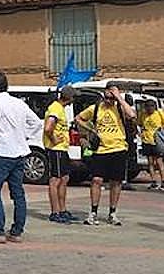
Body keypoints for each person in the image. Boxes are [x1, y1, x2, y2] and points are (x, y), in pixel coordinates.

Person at [0, 73, 35, 243]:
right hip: (20, 152)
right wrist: (25, 137)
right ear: (7, 86)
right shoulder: (19, 103)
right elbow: (36, 123)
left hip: (3, 152)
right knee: (17, 193)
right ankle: (17, 231)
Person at [74, 82, 136, 226]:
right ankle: (93, 212)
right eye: (107, 97)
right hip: (100, 150)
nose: (110, 101)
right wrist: (91, 130)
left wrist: (119, 98)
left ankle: (112, 213)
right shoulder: (95, 108)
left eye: (112, 98)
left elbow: (132, 115)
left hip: (118, 148)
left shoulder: (120, 107)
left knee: (116, 182)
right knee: (96, 180)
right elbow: (78, 118)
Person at [43, 86, 75, 223]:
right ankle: (55, 212)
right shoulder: (55, 108)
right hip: (56, 149)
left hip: (62, 149)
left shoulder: (60, 109)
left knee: (64, 178)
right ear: (69, 98)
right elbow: (48, 127)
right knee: (55, 180)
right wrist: (54, 139)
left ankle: (62, 210)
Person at [139, 100, 164, 190]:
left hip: (157, 141)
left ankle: (163, 182)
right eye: (147, 107)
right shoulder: (143, 115)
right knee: (150, 162)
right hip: (146, 141)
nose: (149, 108)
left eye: (151, 106)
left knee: (159, 162)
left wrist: (163, 130)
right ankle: (153, 181)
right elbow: (139, 124)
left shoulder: (159, 113)